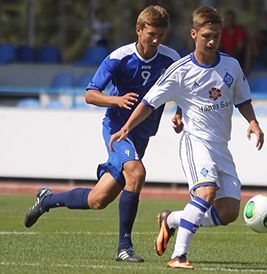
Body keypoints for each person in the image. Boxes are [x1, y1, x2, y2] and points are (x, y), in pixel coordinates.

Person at [109, 6, 264, 269]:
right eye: (206, 36)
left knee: (228, 213)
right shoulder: (179, 70)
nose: (212, 41)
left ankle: (170, 220)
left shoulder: (231, 66)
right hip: (196, 142)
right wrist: (127, 127)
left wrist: (253, 122)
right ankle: (179, 255)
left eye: (216, 35)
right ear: (194, 34)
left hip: (220, 147)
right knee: (205, 192)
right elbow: (149, 102)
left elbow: (242, 98)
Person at [24, 5, 181, 263]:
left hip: (142, 134)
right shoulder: (119, 58)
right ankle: (124, 247)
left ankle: (47, 200)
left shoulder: (171, 58)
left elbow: (181, 87)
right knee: (137, 173)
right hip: (118, 130)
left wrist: (179, 112)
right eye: (151, 34)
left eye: (161, 35)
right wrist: (115, 100)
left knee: (98, 199)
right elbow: (90, 93)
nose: (156, 40)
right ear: (138, 30)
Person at [244, 10, 267, 74]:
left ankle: (247, 70)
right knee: (251, 43)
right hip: (260, 54)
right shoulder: (263, 32)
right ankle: (247, 69)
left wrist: (263, 38)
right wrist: (254, 38)